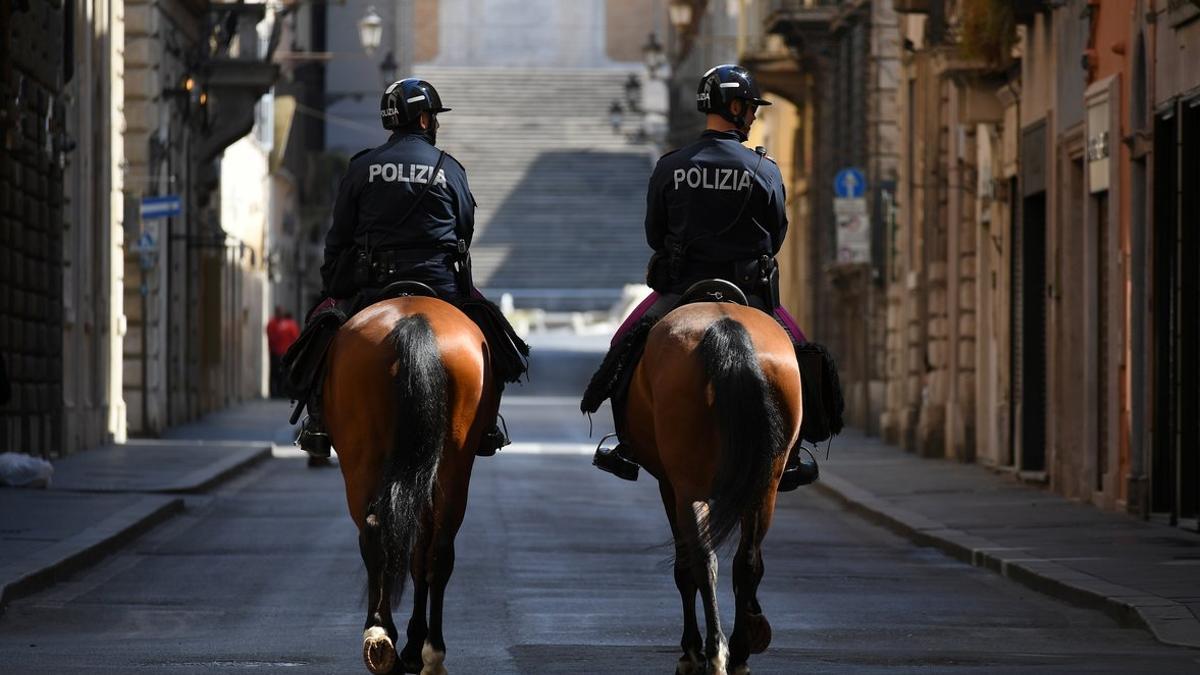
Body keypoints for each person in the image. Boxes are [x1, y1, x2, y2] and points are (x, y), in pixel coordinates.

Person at [583, 64, 843, 492]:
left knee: (623, 347)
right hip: (751, 294)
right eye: (751, 108)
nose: (754, 117)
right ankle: (794, 453)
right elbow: (776, 235)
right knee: (798, 353)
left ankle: (627, 444)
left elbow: (655, 234)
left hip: (681, 291)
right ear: (736, 108)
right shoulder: (765, 169)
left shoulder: (672, 166)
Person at [287, 78, 528, 458]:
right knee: (493, 337)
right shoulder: (450, 168)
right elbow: (465, 228)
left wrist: (333, 282)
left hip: (372, 286)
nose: (435, 124)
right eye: (432, 117)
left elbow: (339, 236)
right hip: (440, 283)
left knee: (320, 334)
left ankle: (317, 420)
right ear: (421, 121)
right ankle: (486, 425)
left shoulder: (362, 166)